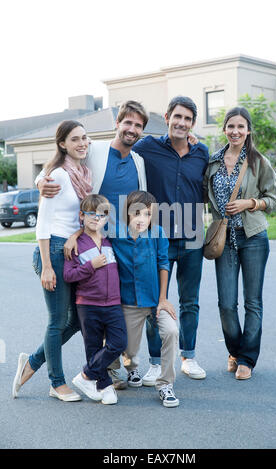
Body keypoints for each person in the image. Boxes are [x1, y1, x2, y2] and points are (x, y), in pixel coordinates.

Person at [35, 101, 149, 389]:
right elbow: (58, 166)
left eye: (138, 125)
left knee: (122, 303)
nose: (131, 129)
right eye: (127, 123)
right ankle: (103, 370)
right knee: (91, 307)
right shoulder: (94, 149)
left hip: (124, 243)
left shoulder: (139, 160)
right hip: (92, 242)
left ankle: (125, 361)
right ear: (117, 123)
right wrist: (40, 180)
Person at [12, 120, 93, 401]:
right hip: (53, 251)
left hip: (71, 249)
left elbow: (81, 216)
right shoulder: (57, 175)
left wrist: (78, 233)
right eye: (75, 139)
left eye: (84, 138)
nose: (82, 143)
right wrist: (47, 265)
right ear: (62, 144)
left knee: (76, 320)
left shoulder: (83, 173)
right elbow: (43, 223)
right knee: (58, 320)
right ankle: (56, 382)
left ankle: (33, 362)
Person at [133, 96, 209, 385]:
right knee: (155, 300)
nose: (182, 122)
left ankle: (188, 356)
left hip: (192, 238)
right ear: (167, 117)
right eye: (177, 116)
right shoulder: (147, 147)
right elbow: (117, 151)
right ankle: (155, 362)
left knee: (190, 301)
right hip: (157, 238)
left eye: (187, 119)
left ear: (192, 124)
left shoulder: (201, 152)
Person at [203, 106, 276, 380]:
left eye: (241, 127)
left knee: (252, 302)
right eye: (231, 126)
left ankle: (247, 359)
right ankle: (235, 350)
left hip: (253, 238)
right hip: (224, 241)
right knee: (226, 304)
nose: (235, 131)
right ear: (224, 129)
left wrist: (250, 202)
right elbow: (202, 196)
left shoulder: (259, 162)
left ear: (248, 131)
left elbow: (274, 200)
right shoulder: (212, 162)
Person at [110, 190, 179, 407]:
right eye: (137, 213)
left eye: (148, 214)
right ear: (127, 214)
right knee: (128, 348)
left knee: (171, 331)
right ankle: (131, 369)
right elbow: (90, 234)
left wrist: (163, 299)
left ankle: (165, 384)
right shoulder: (115, 235)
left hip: (156, 301)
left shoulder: (158, 233)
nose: (142, 219)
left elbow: (163, 264)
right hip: (129, 301)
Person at [63, 194, 127, 404]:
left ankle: (85, 376)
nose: (97, 218)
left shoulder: (109, 242)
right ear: (82, 216)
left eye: (102, 215)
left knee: (118, 343)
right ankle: (104, 385)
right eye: (92, 214)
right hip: (88, 304)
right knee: (93, 347)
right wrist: (91, 266)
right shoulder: (76, 244)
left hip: (113, 304)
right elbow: (68, 275)